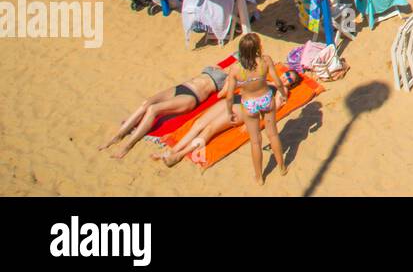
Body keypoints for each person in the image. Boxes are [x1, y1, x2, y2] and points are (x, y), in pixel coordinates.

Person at [99, 65, 229, 158]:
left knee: (153, 109)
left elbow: (224, 92)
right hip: (182, 87)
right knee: (146, 103)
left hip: (191, 97)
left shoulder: (229, 77)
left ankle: (128, 145)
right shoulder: (221, 65)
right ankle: (119, 135)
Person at [225, 33, 289, 185]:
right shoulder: (265, 61)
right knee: (273, 134)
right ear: (257, 48)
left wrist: (229, 112)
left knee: (255, 142)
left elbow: (228, 96)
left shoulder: (236, 69)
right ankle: (281, 167)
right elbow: (277, 81)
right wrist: (282, 93)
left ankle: (259, 177)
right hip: (266, 99)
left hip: (249, 103)